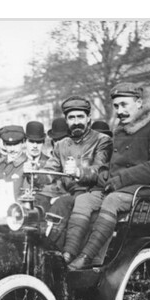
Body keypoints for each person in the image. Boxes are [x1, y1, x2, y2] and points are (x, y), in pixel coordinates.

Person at [66, 83, 150, 270]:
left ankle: (86, 256)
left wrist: (121, 179)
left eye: (124, 105)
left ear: (139, 102)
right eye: (116, 106)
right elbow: (115, 165)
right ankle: (68, 253)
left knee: (112, 201)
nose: (120, 111)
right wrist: (103, 174)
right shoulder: (120, 130)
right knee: (83, 199)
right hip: (119, 187)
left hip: (148, 190)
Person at [40, 95, 112, 252]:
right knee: (37, 203)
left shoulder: (102, 140)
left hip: (94, 194)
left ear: (88, 118)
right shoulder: (61, 145)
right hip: (71, 194)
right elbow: (50, 170)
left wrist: (79, 172)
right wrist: (37, 174)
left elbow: (101, 170)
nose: (76, 121)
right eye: (71, 117)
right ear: (66, 120)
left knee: (62, 204)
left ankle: (52, 253)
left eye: (80, 116)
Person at [0, 125, 29, 198]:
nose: (12, 149)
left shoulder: (28, 165)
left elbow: (27, 196)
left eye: (16, 144)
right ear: (4, 144)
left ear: (23, 143)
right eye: (9, 144)